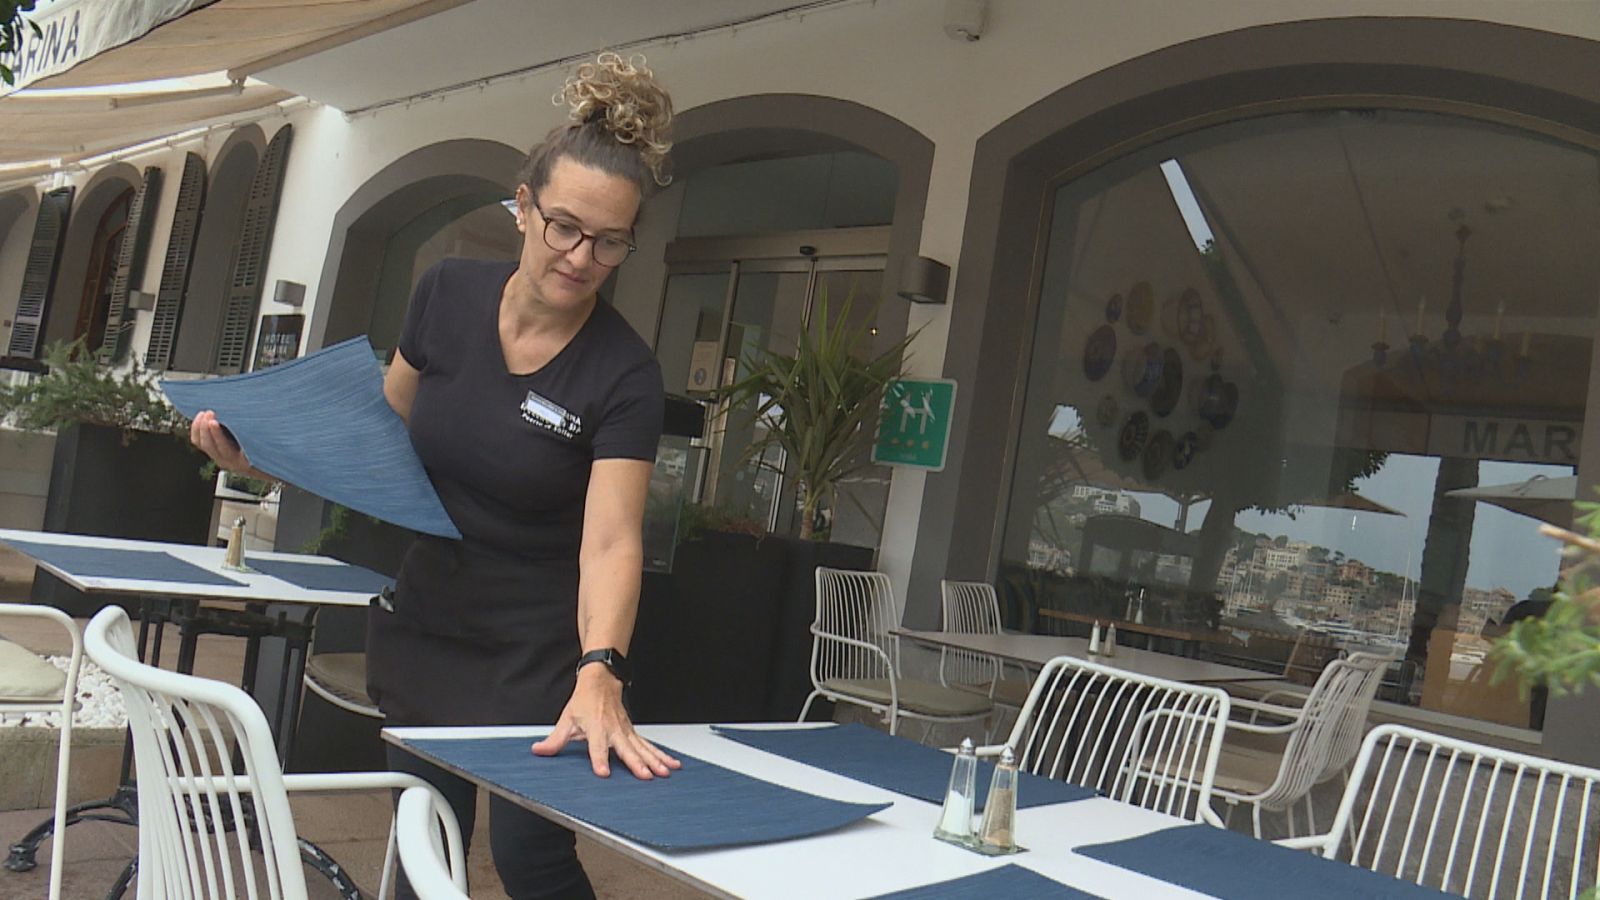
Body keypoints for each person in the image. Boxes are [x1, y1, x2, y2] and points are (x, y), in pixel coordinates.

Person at [190, 51, 680, 899]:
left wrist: (601, 671)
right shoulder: (446, 294)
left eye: (610, 241)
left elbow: (611, 539)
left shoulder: (624, 374)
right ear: (523, 209)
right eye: (564, 225)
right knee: (425, 838)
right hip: (430, 625)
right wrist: (263, 458)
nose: (580, 256)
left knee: (532, 857)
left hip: (541, 652)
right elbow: (383, 437)